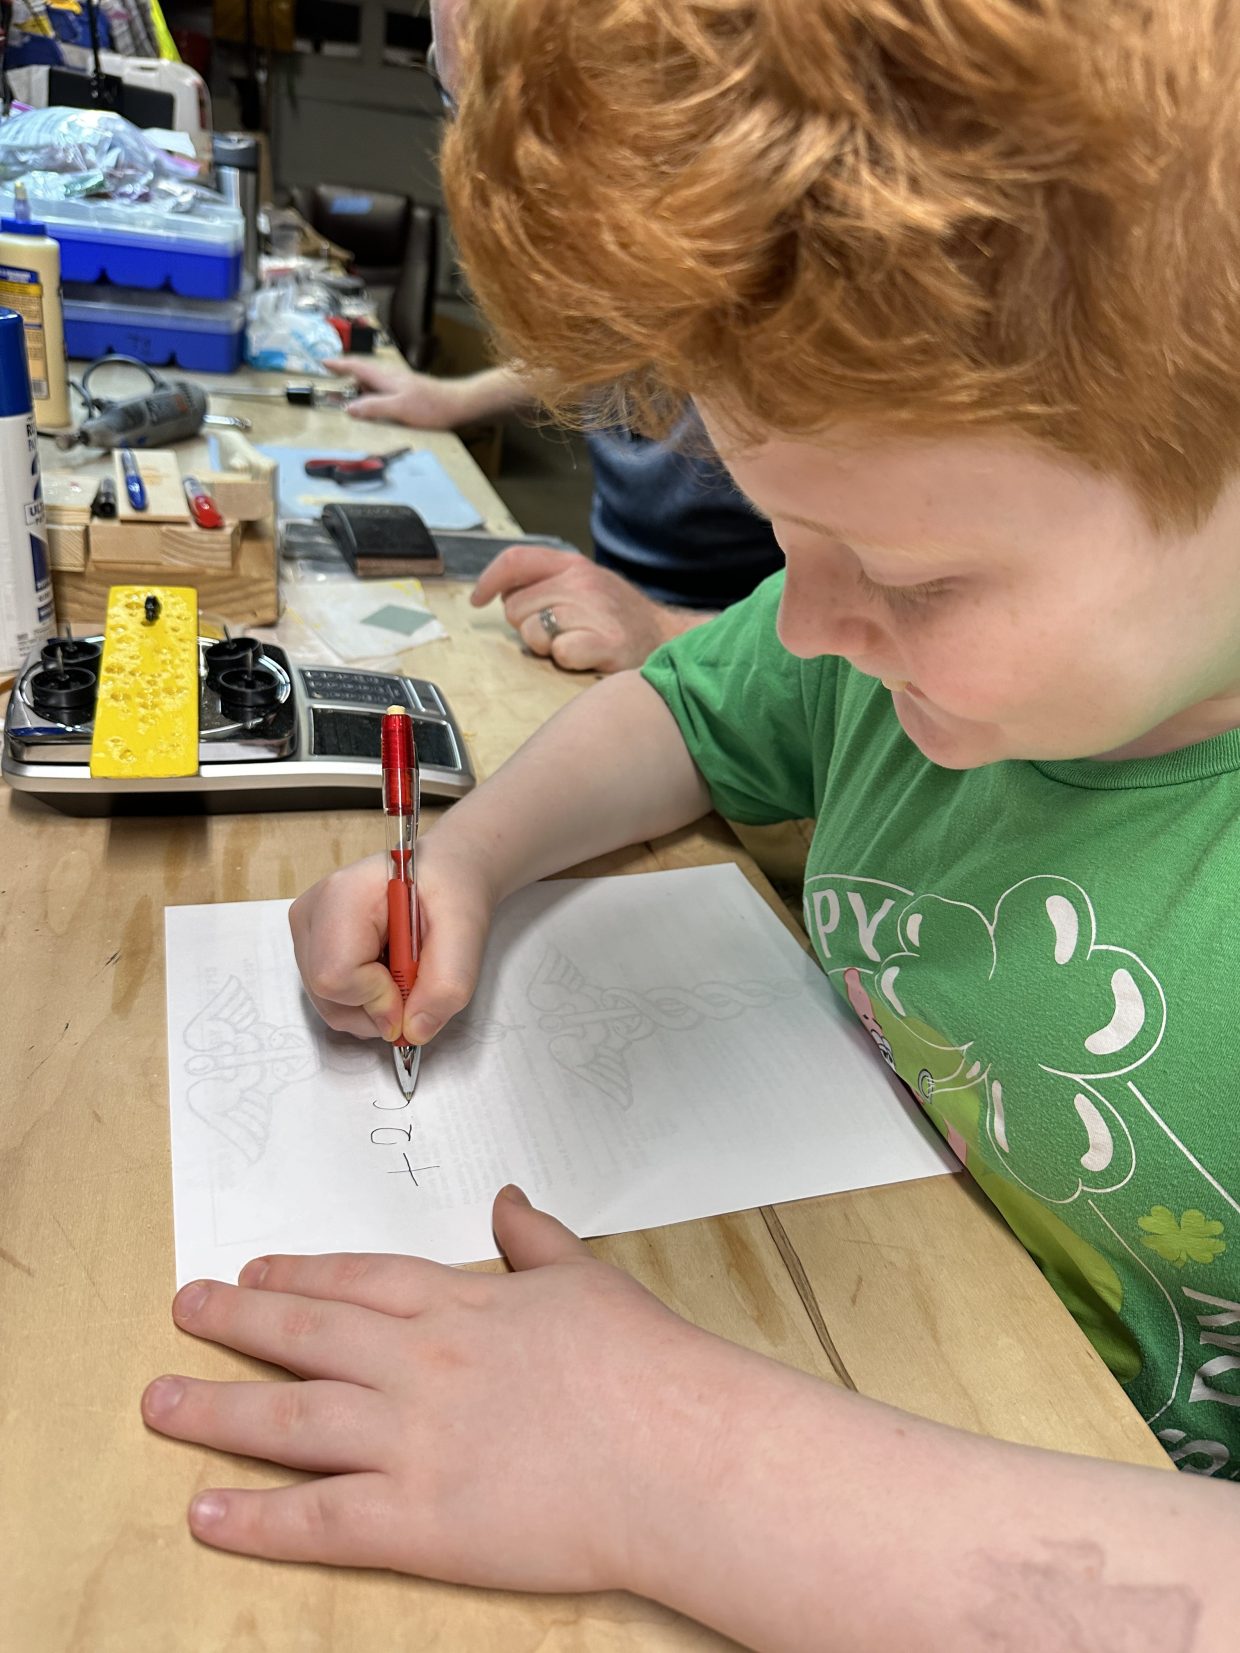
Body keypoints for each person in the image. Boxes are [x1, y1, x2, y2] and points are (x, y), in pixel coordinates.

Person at [141, 2, 1240, 1646]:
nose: (808, 625)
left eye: (918, 580)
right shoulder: (876, 644)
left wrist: (677, 1463)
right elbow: (691, 705)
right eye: (789, 535)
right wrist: (469, 859)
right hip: (871, 1317)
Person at [325, 354, 785, 673]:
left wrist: (665, 629)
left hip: (741, 651)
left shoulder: (783, 373)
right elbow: (578, 360)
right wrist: (455, 399)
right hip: (613, 611)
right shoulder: (617, 322)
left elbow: (823, 648)